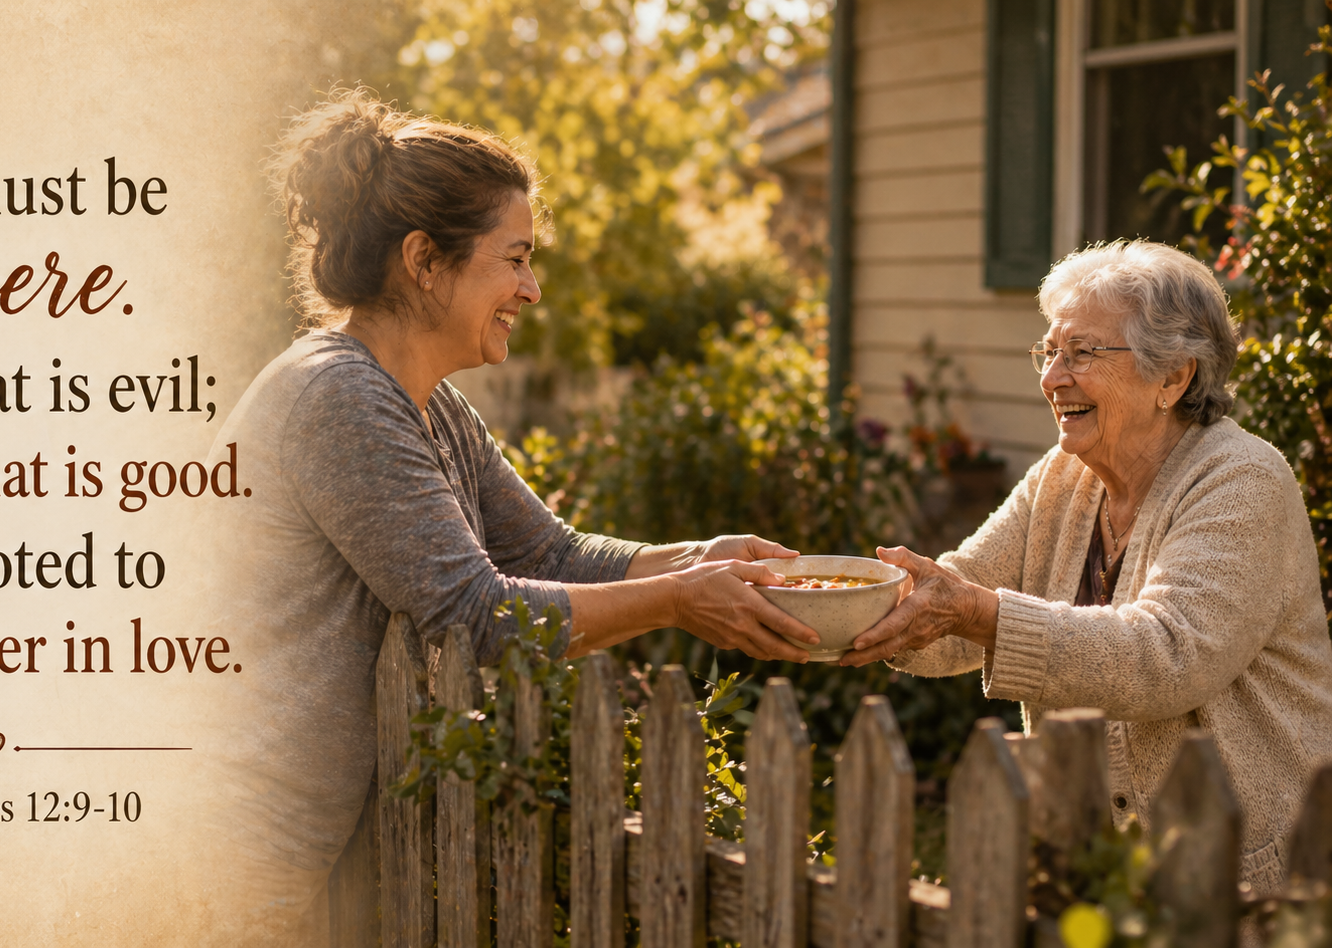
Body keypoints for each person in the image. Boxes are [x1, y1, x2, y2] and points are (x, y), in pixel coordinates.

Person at [203, 90, 816, 943]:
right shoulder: (338, 398)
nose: (531, 289)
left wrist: (696, 561)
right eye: (515, 259)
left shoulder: (428, 405)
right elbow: (471, 613)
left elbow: (549, 554)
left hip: (291, 847)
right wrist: (680, 601)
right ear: (424, 260)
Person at [840, 239, 1332, 892]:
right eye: (1049, 353)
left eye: (1080, 354)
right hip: (1095, 874)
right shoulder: (1062, 478)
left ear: (1172, 377)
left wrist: (976, 614)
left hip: (1245, 880)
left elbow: (1166, 656)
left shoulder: (1242, 482)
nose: (1051, 379)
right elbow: (957, 593)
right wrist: (831, 607)